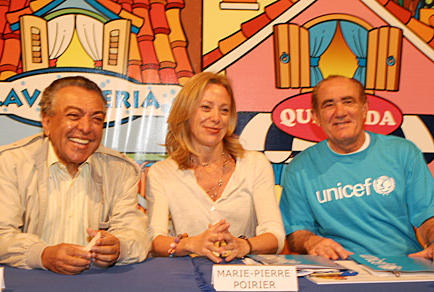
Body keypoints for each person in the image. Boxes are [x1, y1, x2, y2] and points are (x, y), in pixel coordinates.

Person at [0, 76, 150, 274]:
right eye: (74, 116)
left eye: (96, 119)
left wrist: (120, 247)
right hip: (29, 280)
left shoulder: (120, 170)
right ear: (46, 120)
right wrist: (42, 255)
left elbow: (137, 235)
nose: (86, 128)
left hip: (95, 281)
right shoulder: (10, 163)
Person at [279, 75, 434, 260]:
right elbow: (296, 231)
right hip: (339, 270)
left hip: (404, 266)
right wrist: (311, 241)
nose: (340, 112)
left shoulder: (403, 152)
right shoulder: (299, 168)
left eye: (348, 102)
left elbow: (427, 217)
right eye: (328, 105)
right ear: (316, 117)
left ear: (364, 109)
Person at [146, 72, 285, 263]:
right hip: (186, 280)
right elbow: (155, 241)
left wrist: (243, 246)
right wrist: (192, 244)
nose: (216, 118)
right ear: (185, 111)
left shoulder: (255, 164)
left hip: (242, 279)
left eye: (224, 110)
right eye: (206, 108)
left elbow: (275, 235)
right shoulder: (160, 173)